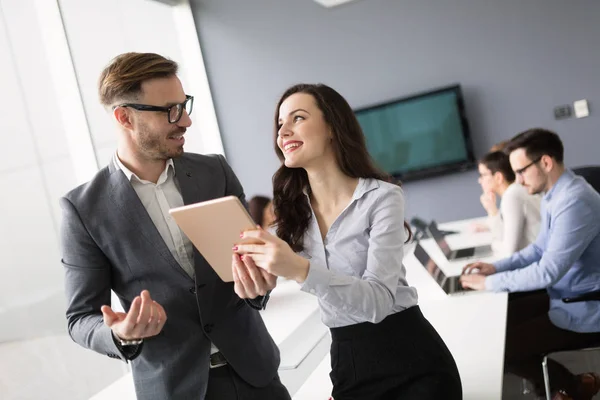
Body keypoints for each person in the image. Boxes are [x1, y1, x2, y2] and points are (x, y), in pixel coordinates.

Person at [60, 52, 290, 400]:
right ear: (125, 117)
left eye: (185, 106)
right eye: (171, 110)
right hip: (174, 389)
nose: (185, 122)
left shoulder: (215, 172)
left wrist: (261, 284)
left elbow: (251, 269)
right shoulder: (83, 209)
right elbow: (80, 318)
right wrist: (122, 333)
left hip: (256, 375)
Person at [232, 83, 462, 400]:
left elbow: (379, 301)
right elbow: (265, 282)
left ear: (332, 127)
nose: (283, 131)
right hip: (348, 362)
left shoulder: (382, 197)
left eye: (297, 118)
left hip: (412, 360)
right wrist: (256, 282)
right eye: (280, 124)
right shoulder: (293, 214)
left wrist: (299, 269)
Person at [460, 128, 600, 400]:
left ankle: (572, 388)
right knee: (493, 325)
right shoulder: (555, 195)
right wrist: (496, 268)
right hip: (564, 297)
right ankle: (571, 387)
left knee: (501, 347)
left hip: (584, 307)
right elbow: (538, 249)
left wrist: (488, 283)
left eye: (521, 171)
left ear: (545, 163)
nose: (518, 181)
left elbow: (547, 271)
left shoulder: (575, 201)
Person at [477, 151, 541, 255]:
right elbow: (503, 236)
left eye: (483, 175)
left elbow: (509, 252)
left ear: (498, 177)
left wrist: (493, 244)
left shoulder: (512, 196)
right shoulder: (514, 192)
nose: (480, 180)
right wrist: (492, 211)